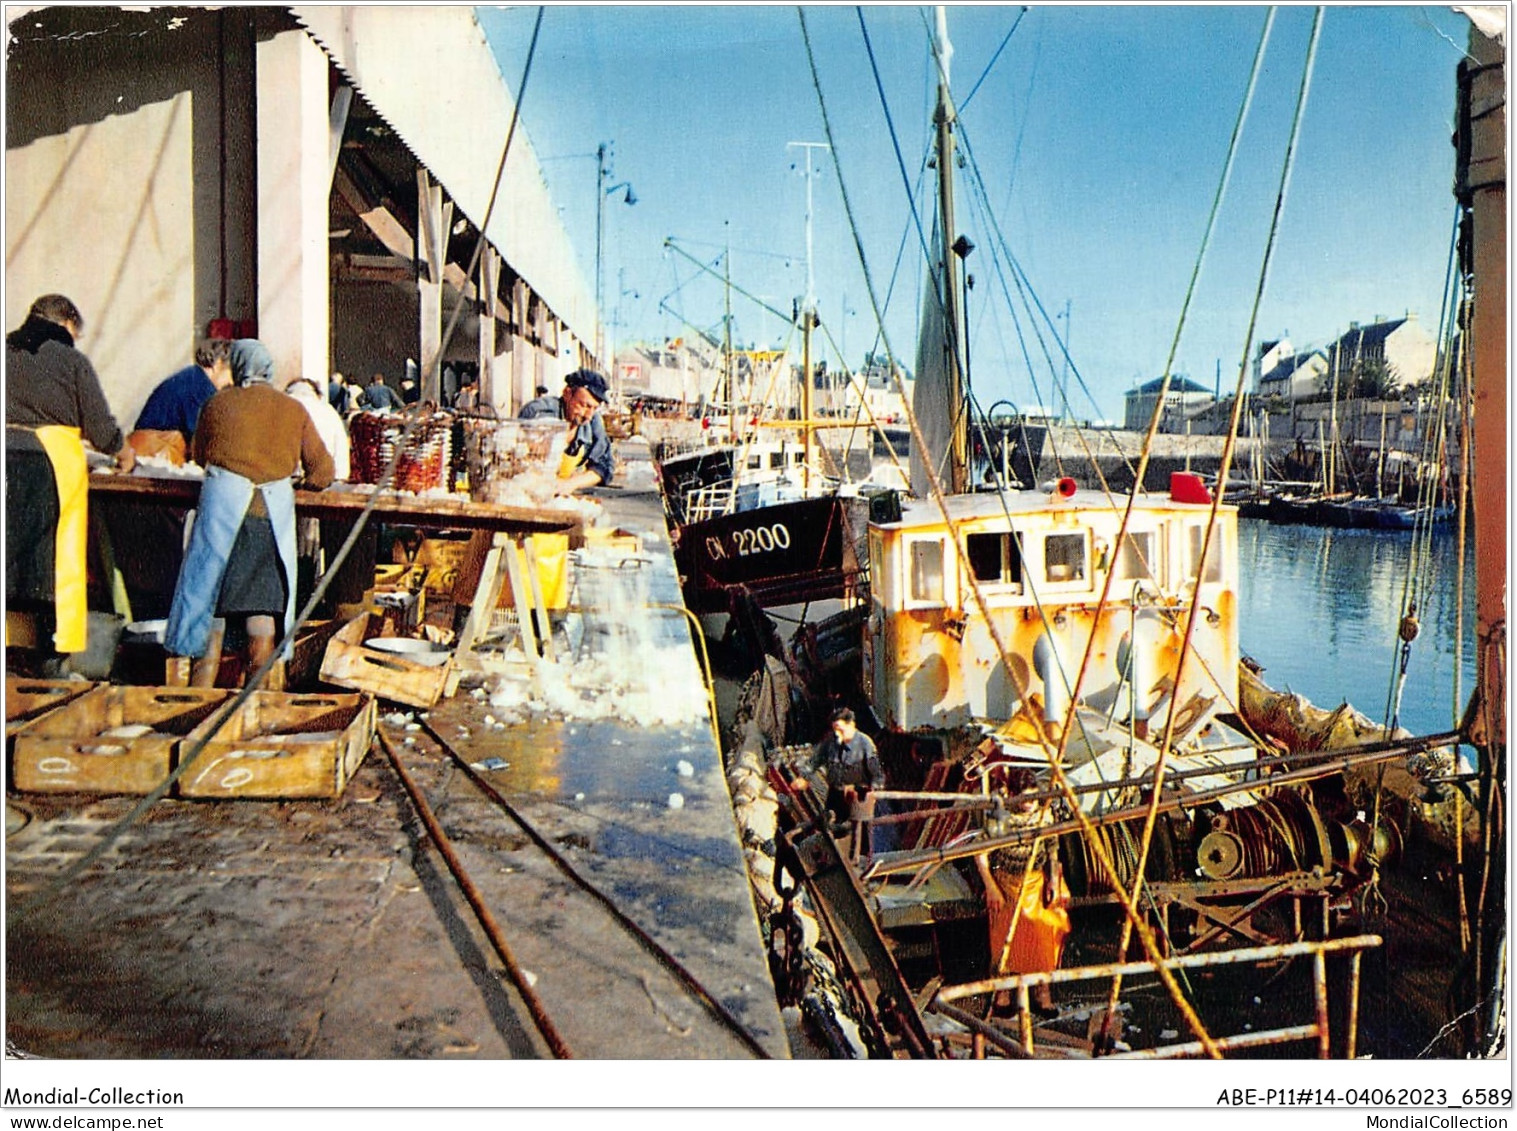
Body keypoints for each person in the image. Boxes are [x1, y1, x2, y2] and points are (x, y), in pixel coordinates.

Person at [164, 339, 334, 688]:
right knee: (262, 617)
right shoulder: (293, 410)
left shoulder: (216, 403)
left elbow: (200, 455)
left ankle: (197, 705)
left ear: (238, 367)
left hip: (220, 518)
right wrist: (294, 479)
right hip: (267, 521)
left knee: (211, 612)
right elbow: (323, 472)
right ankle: (259, 705)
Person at [6, 294, 134, 659]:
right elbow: (99, 426)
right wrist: (123, 451)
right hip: (51, 462)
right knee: (54, 560)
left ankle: (11, 648)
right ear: (66, 325)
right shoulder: (71, 360)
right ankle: (50, 652)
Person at [972, 763, 1069, 1013]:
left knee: (1045, 929)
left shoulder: (1044, 813)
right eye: (1024, 799)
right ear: (1014, 795)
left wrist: (1054, 880)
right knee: (1006, 936)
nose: (1028, 805)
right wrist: (991, 887)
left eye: (1032, 799)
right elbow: (980, 853)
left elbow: (1052, 849)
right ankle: (1003, 994)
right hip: (1007, 883)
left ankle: (1041, 991)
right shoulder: (1003, 818)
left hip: (1036, 880)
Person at [129, 337, 235, 458]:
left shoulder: (192, 376)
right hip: (155, 454)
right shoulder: (198, 386)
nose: (232, 382)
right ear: (218, 364)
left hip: (152, 449)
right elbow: (206, 436)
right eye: (232, 372)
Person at [518, 368, 614, 494]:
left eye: (594, 408)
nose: (588, 415)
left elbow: (604, 467)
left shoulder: (593, 421)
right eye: (584, 405)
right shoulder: (539, 412)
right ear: (567, 393)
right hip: (527, 489)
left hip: (560, 491)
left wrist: (571, 484)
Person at [802, 707, 884, 825]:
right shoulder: (831, 742)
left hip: (857, 801)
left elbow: (877, 776)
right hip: (834, 796)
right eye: (834, 730)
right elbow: (814, 761)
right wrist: (804, 777)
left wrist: (862, 790)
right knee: (829, 827)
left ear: (851, 725)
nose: (837, 734)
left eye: (840, 730)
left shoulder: (865, 744)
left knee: (854, 833)